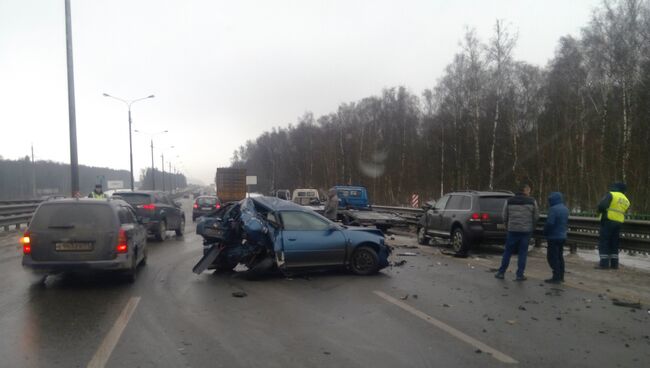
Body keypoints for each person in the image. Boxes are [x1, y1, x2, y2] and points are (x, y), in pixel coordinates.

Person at [495, 183, 539, 281]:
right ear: (525, 190)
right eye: (529, 190)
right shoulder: (532, 201)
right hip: (526, 231)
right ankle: (519, 274)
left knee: (508, 251)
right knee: (522, 253)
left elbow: (504, 216)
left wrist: (507, 226)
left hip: (512, 230)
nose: (529, 192)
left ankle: (501, 272)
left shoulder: (509, 201)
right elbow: (536, 216)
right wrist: (532, 227)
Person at [595, 183, 630, 269]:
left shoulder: (611, 194)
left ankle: (604, 264)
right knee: (614, 243)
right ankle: (614, 264)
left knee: (604, 242)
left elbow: (602, 206)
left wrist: (598, 212)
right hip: (618, 222)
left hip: (608, 220)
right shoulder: (626, 200)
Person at [543, 192, 569, 284]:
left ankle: (556, 277)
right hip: (562, 236)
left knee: (552, 257)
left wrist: (545, 231)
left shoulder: (553, 209)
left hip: (553, 237)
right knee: (560, 256)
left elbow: (550, 223)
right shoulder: (565, 209)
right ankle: (561, 276)